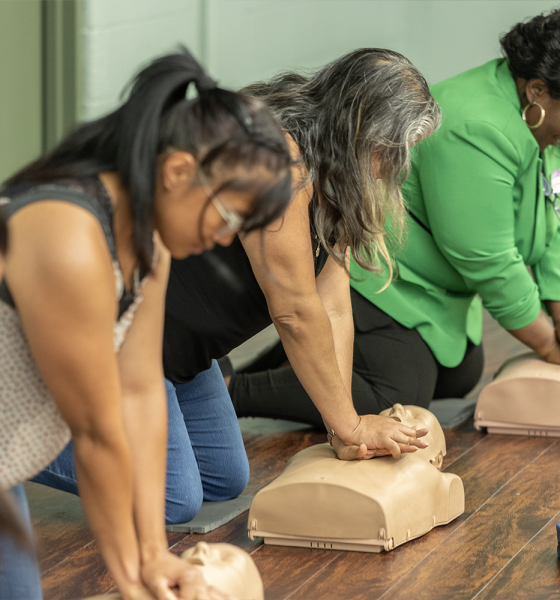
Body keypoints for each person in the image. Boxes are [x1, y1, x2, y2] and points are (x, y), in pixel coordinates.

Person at [0, 46, 292, 600]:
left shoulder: (147, 241)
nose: (227, 241)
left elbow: (139, 392)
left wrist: (154, 553)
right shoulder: (69, 236)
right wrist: (134, 580)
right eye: (230, 218)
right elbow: (97, 432)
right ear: (179, 170)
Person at [146, 46, 439, 524]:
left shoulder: (335, 175)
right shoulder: (272, 159)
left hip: (183, 354)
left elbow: (334, 307)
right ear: (363, 133)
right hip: (124, 332)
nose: (396, 168)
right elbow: (295, 311)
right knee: (176, 499)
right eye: (393, 152)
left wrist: (340, 427)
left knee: (222, 479)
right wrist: (353, 425)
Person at [341, 7, 560, 412]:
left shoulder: (544, 125)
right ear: (538, 91)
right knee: (399, 394)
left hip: (428, 284)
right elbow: (488, 260)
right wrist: (549, 345)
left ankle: (307, 354)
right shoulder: (477, 127)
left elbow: (555, 223)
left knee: (460, 371)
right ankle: (235, 389)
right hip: (374, 272)